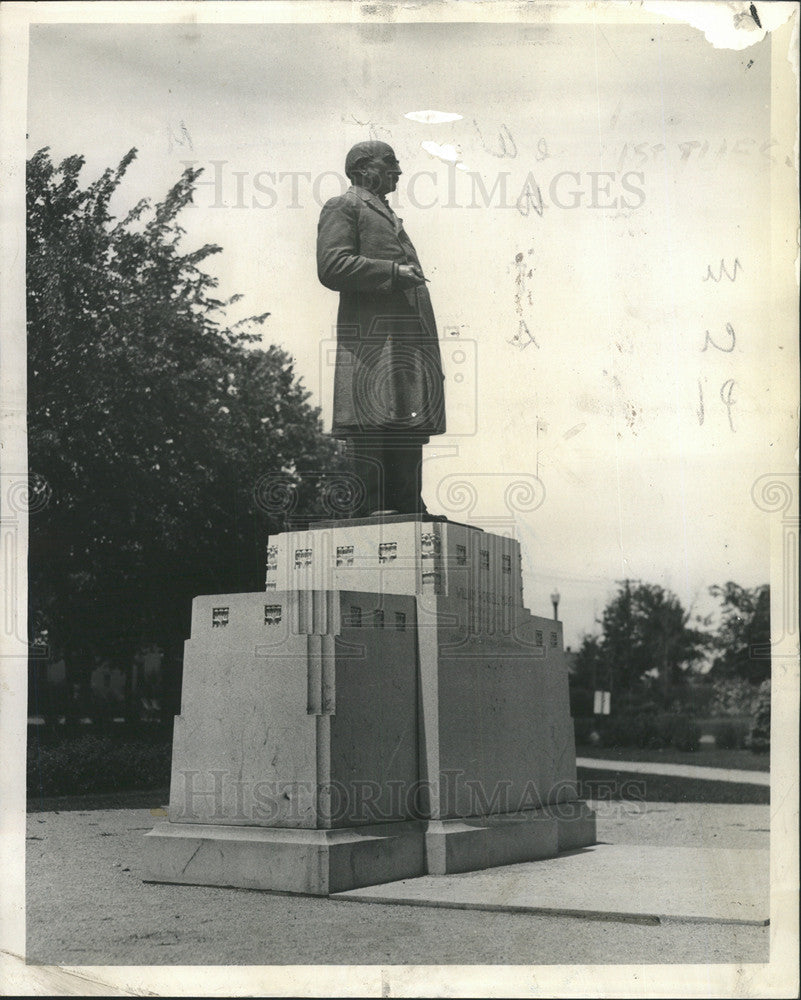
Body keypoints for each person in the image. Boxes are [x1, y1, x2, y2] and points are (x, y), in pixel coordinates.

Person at [317, 140, 445, 517]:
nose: (398, 171)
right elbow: (332, 266)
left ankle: (407, 503)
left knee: (406, 413)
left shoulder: (385, 214)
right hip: (373, 338)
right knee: (371, 413)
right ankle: (371, 503)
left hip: (404, 337)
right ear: (361, 167)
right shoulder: (344, 206)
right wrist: (391, 272)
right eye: (390, 162)